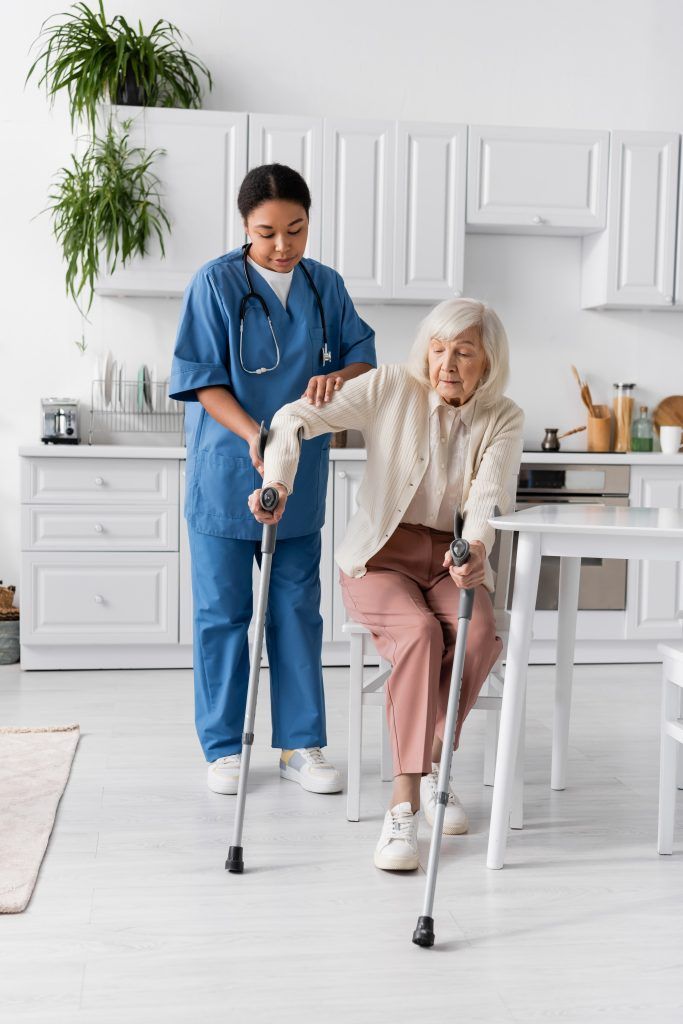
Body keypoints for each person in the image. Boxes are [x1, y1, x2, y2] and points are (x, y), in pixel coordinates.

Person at [249, 297, 523, 870]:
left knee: (478, 638)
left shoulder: (503, 417)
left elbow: (487, 495)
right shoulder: (391, 386)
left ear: (487, 363)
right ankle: (405, 803)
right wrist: (279, 481)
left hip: (450, 557)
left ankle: (430, 760)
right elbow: (295, 418)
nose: (448, 363)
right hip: (380, 556)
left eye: (464, 353)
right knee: (421, 635)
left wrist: (475, 550)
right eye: (439, 348)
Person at [169, 163, 376, 797]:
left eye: (296, 230)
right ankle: (226, 748)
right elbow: (204, 379)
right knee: (223, 615)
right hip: (227, 472)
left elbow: (363, 356)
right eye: (267, 233)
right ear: (244, 227)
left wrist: (337, 379)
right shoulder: (215, 283)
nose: (282, 246)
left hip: (301, 480)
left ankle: (301, 745)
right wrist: (255, 435)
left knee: (295, 613)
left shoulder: (326, 287)